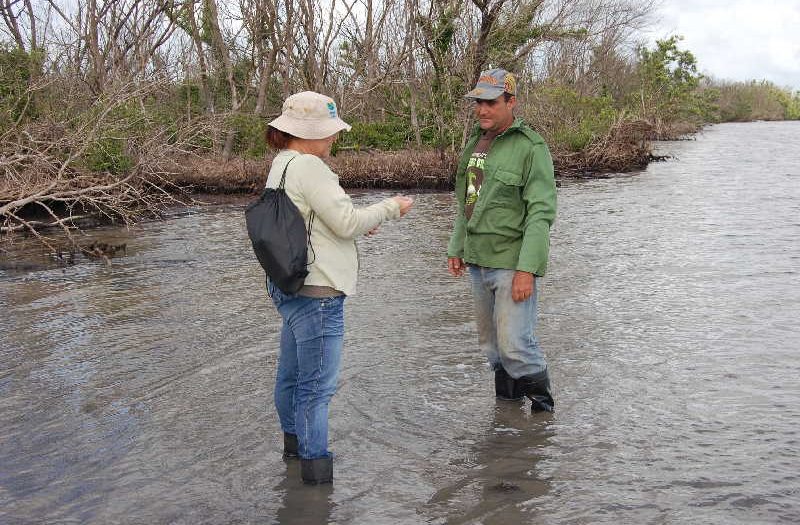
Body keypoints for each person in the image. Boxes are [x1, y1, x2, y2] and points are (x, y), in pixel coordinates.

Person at [264, 91, 414, 484]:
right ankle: (316, 480)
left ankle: (293, 453)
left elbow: (317, 220)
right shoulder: (310, 168)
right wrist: (391, 207)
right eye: (329, 133)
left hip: (289, 286)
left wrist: (357, 222)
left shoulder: (281, 164)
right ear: (308, 134)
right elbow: (345, 224)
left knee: (291, 377)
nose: (333, 139)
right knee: (317, 387)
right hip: (319, 293)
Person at [446, 69, 557, 413]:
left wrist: (527, 269)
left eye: (491, 102)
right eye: (479, 102)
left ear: (511, 102)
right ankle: (508, 422)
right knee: (492, 348)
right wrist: (456, 246)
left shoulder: (531, 147)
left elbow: (541, 212)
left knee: (515, 346)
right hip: (478, 261)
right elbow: (468, 200)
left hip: (512, 263)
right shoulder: (476, 144)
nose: (482, 110)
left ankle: (543, 416)